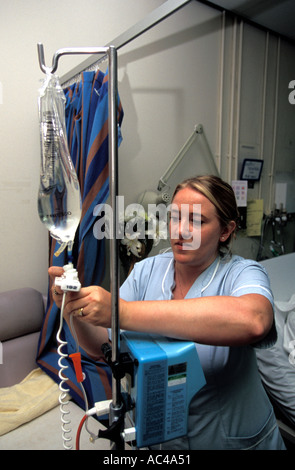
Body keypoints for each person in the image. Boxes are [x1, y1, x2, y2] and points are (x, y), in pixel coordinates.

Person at [49, 175, 286, 450]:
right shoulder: (147, 271)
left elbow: (253, 321)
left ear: (225, 231)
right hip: (164, 445)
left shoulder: (242, 273)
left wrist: (120, 312)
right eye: (175, 217)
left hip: (230, 440)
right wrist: (74, 308)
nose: (180, 231)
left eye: (196, 221)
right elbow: (104, 342)